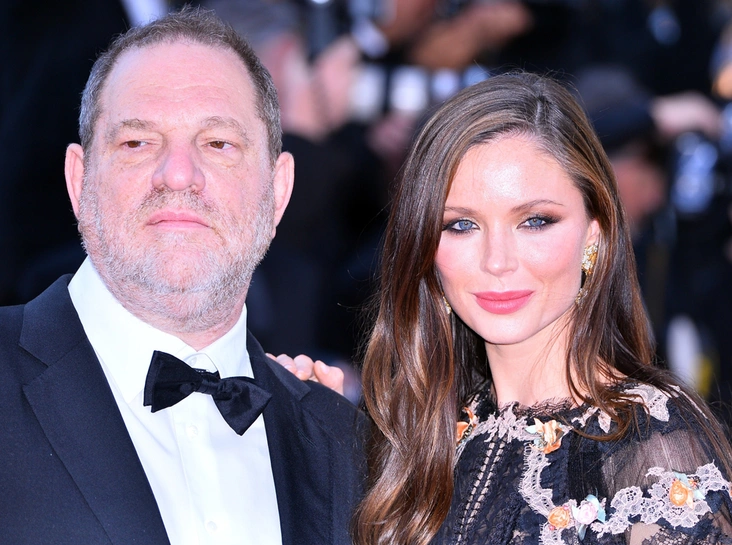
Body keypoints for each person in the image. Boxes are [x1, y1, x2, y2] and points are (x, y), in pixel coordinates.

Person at [0, 8, 363, 545]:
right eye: (137, 143)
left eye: (218, 144)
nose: (177, 175)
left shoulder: (341, 441)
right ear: (80, 182)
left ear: (278, 190)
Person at [351, 72, 732, 544]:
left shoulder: (655, 443)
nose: (497, 261)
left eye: (534, 221)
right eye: (461, 225)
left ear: (594, 234)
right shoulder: (410, 430)